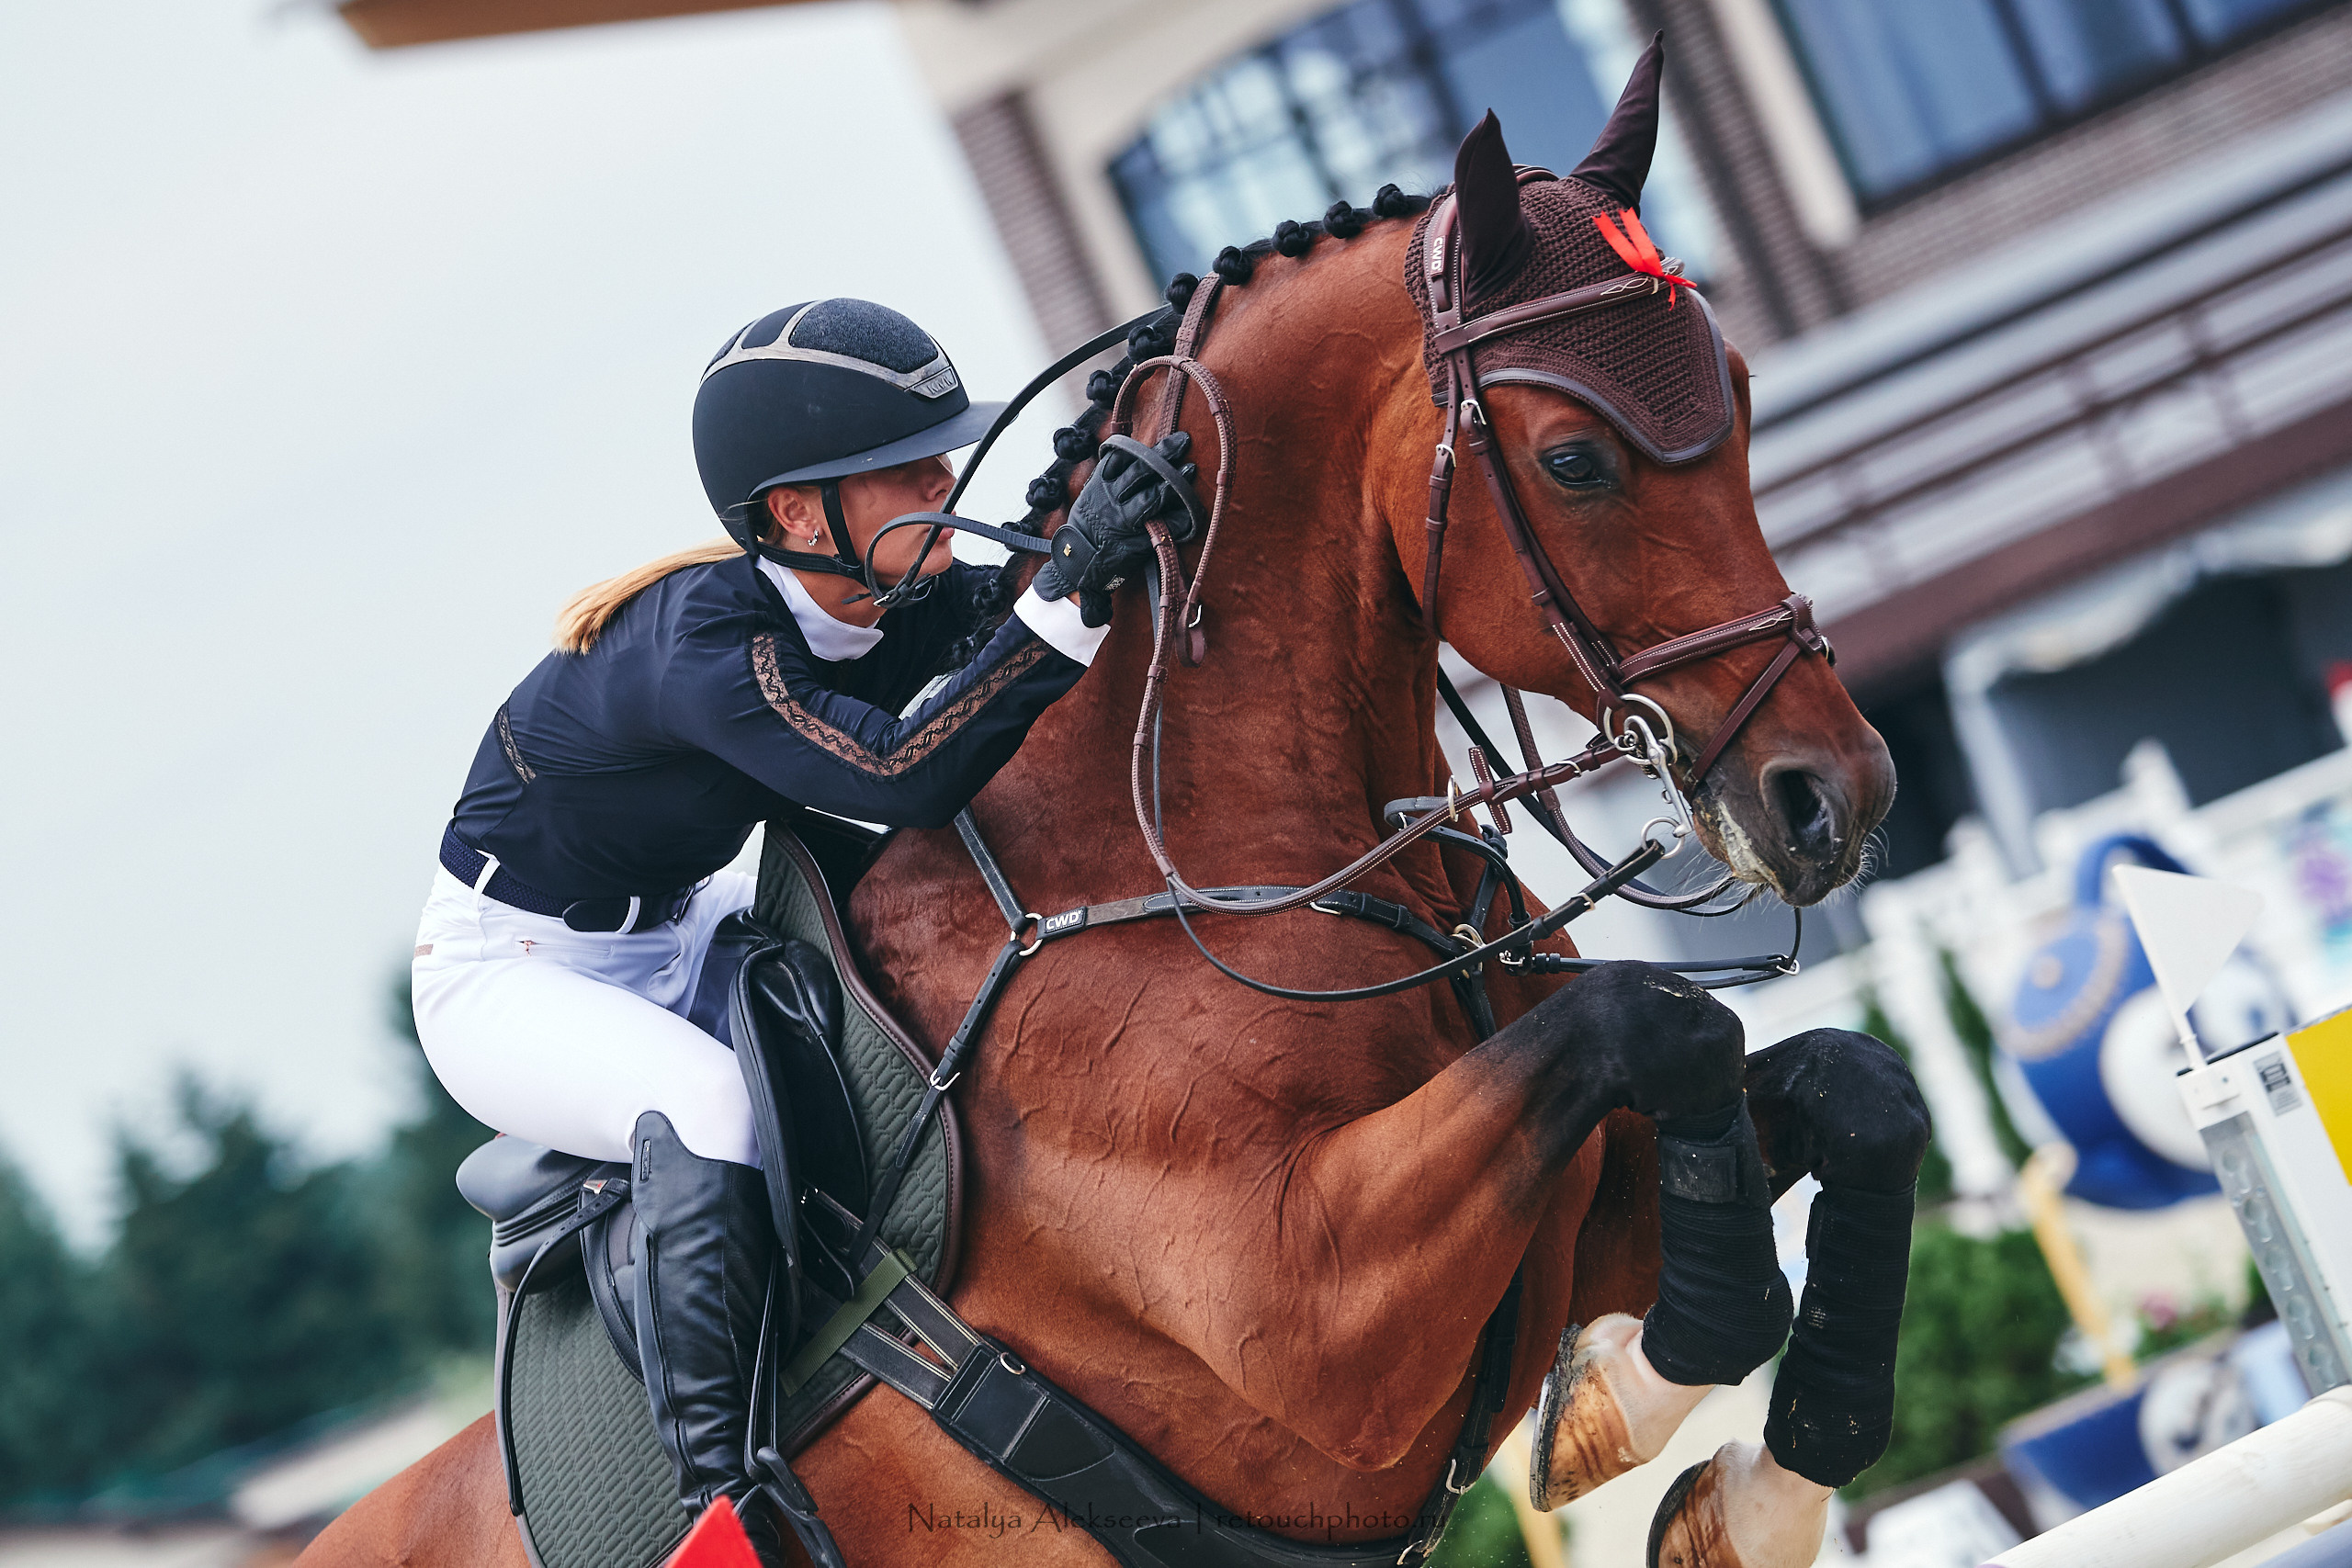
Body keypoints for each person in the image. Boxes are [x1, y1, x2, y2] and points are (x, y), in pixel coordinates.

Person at [410, 298, 1192, 1561]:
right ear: (794, 513)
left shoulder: (884, 593)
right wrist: (1058, 609)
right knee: (708, 1105)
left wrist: (1114, 543)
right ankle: (719, 1505)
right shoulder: (703, 641)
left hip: (680, 919)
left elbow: (1021, 621)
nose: (948, 484)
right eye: (915, 470)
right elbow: (900, 776)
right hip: (509, 975)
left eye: (947, 457)